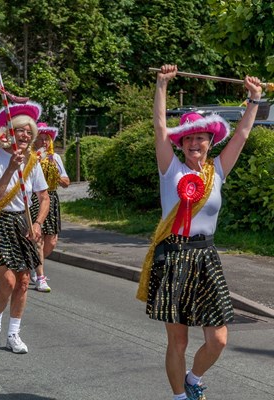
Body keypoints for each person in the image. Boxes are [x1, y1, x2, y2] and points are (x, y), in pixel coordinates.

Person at [137, 64, 262, 400]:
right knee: (177, 341)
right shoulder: (171, 169)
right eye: (189, 138)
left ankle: (193, 378)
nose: (195, 143)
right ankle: (180, 397)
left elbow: (242, 136)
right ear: (182, 143)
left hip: (206, 258)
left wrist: (253, 100)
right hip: (174, 257)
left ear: (209, 142)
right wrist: (161, 84)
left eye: (201, 138)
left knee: (218, 339)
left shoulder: (218, 170)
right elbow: (160, 126)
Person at [0, 102, 49, 354]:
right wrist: (11, 167)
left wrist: (39, 222)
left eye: (29, 132)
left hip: (24, 221)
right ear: (9, 132)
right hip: (0, 221)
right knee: (8, 281)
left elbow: (44, 197)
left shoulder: (33, 161)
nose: (25, 135)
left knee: (23, 281)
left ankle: (13, 334)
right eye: (20, 130)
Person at [29, 122, 70, 292]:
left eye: (47, 139)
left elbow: (67, 182)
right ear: (35, 140)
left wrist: (56, 175)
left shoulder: (55, 158)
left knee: (51, 241)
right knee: (37, 238)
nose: (45, 142)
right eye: (41, 139)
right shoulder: (30, 156)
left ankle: (34, 264)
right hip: (34, 198)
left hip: (51, 198)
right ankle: (40, 277)